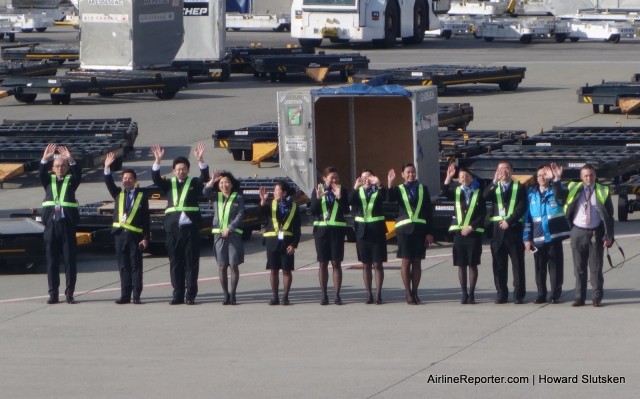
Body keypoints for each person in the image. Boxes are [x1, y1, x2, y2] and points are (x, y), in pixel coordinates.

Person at [151, 143, 210, 305]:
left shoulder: (193, 183)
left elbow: (204, 177)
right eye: (178, 169)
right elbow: (155, 178)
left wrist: (200, 160)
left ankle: (190, 295)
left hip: (190, 228)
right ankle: (177, 294)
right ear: (173, 170)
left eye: (184, 168)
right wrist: (157, 160)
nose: (181, 171)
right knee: (175, 263)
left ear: (188, 170)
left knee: (191, 263)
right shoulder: (168, 184)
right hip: (173, 229)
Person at [561, 164, 614, 307]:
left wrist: (609, 236)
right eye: (585, 175)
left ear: (595, 176)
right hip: (578, 231)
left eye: (591, 175)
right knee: (579, 268)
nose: (588, 178)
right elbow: (559, 197)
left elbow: (609, 216)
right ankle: (579, 297)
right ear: (581, 177)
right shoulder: (573, 188)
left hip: (595, 232)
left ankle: (596, 297)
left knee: (596, 268)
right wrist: (555, 180)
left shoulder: (602, 190)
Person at [104, 152, 150, 305]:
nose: (127, 181)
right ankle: (125, 294)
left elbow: (145, 219)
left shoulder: (142, 196)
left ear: (135, 180)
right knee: (123, 267)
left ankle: (136, 295)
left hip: (135, 237)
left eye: (130, 178)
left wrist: (145, 237)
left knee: (136, 266)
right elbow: (109, 183)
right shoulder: (118, 194)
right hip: (120, 236)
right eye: (125, 179)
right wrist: (107, 168)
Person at [522, 163, 571, 305]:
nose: (542, 178)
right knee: (539, 268)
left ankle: (555, 294)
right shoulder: (530, 193)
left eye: (544, 175)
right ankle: (541, 294)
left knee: (555, 267)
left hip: (554, 236)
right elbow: (527, 217)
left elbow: (562, 198)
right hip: (537, 237)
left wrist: (556, 180)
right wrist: (526, 238)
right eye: (539, 175)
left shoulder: (557, 189)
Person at [39, 143, 82, 304]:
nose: (60, 168)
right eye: (57, 166)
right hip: (51, 225)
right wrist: (45, 158)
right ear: (53, 167)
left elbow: (78, 173)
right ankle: (53, 294)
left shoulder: (72, 181)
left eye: (63, 166)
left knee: (70, 261)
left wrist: (71, 159)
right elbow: (41, 172)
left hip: (67, 224)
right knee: (52, 261)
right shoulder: (48, 181)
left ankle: (69, 293)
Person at [387, 162, 434, 305]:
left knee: (417, 262)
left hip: (420, 230)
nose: (410, 175)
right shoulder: (399, 189)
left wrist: (429, 232)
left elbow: (428, 212)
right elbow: (389, 199)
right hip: (404, 231)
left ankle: (415, 292)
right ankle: (408, 293)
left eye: (413, 172)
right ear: (402, 174)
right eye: (408, 172)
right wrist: (390, 183)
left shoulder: (423, 189)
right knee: (406, 262)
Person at [442, 164, 486, 304]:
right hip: (459, 234)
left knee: (472, 264)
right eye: (462, 177)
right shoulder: (456, 192)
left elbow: (483, 214)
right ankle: (464, 293)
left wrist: (472, 227)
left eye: (467, 176)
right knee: (461, 264)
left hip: (473, 234)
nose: (465, 179)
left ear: (471, 178)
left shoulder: (478, 193)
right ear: (459, 180)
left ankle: (472, 293)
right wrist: (448, 176)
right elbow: (444, 192)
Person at [484, 160, 527, 304]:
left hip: (514, 231)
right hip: (497, 233)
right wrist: (494, 182)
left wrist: (509, 220)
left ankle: (518, 294)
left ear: (511, 170)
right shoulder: (494, 187)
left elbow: (521, 207)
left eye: (506, 168)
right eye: (501, 168)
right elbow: (483, 197)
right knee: (499, 264)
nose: (504, 171)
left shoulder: (519, 188)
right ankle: (501, 293)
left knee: (517, 265)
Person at [203, 170, 245, 305]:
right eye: (221, 183)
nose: (224, 185)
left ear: (232, 184)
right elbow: (205, 192)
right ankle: (225, 294)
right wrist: (211, 181)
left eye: (227, 182)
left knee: (233, 265)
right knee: (222, 266)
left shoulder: (238, 197)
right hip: (218, 235)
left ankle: (233, 294)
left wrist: (230, 228)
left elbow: (241, 214)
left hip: (233, 235)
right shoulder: (216, 197)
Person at [310, 167, 350, 305]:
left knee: (336, 263)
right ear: (325, 179)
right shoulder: (318, 189)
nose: (335, 180)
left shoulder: (342, 191)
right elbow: (313, 210)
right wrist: (318, 198)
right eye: (332, 177)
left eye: (336, 178)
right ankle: (324, 295)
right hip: (321, 231)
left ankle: (337, 295)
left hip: (337, 231)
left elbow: (346, 210)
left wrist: (339, 197)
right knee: (323, 263)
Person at [259, 180, 301, 306]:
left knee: (287, 271)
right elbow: (261, 213)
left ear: (284, 192)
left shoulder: (293, 207)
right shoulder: (271, 204)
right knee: (274, 270)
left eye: (278, 190)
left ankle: (285, 297)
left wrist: (294, 244)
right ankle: (275, 297)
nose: (275, 192)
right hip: (272, 241)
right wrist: (262, 201)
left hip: (287, 242)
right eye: (275, 190)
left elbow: (297, 228)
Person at [350, 169, 387, 305]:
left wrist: (379, 184)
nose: (366, 179)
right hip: (362, 232)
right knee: (366, 264)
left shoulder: (377, 190)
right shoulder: (358, 191)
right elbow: (350, 200)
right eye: (363, 177)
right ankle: (369, 294)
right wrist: (355, 186)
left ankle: (378, 294)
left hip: (376, 231)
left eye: (369, 177)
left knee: (378, 263)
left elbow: (386, 197)